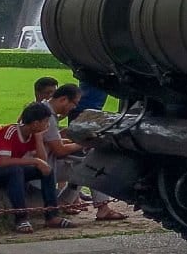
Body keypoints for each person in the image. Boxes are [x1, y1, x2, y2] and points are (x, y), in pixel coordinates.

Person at [0, 103, 72, 233]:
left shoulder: (32, 135)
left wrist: (38, 139)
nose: (48, 125)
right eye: (46, 122)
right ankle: (21, 218)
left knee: (46, 171)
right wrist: (35, 161)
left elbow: (42, 160)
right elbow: (4, 162)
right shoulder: (9, 132)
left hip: (10, 170)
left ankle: (52, 216)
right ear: (36, 123)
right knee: (16, 170)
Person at [42, 84, 127, 221]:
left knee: (83, 163)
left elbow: (51, 142)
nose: (74, 108)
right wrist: (83, 144)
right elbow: (59, 150)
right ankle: (102, 209)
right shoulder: (48, 116)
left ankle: (64, 203)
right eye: (74, 103)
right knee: (92, 167)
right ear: (63, 100)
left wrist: (70, 140)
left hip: (45, 160)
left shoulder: (44, 109)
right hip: (44, 165)